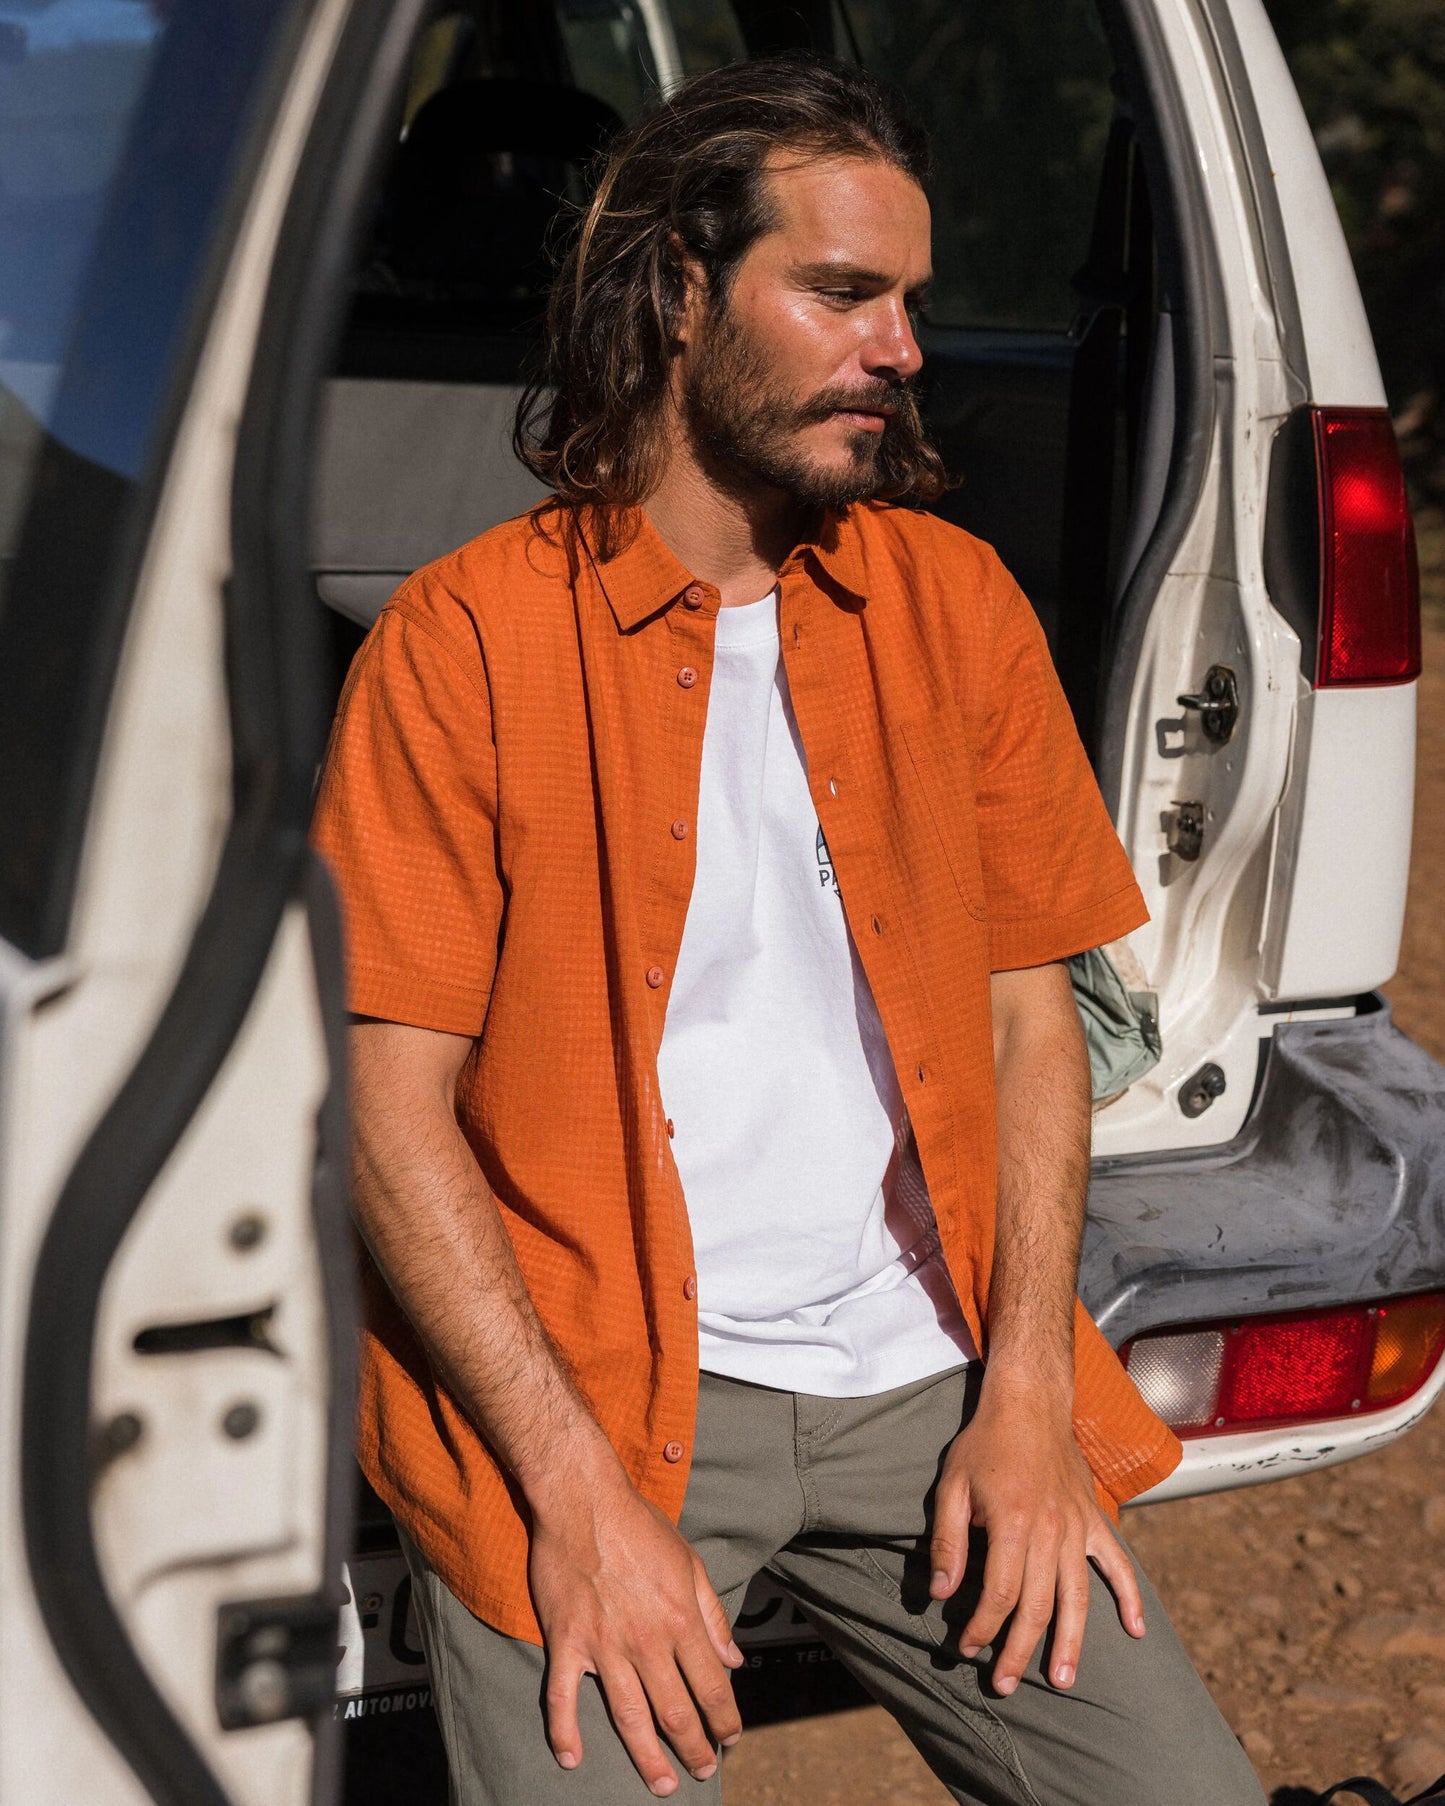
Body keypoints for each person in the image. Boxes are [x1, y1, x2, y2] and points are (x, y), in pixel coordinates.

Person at [313, 53, 1266, 1806]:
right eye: (840, 292)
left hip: (931, 1381)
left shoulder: (956, 605)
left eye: (910, 301)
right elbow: (387, 1105)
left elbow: (1030, 1021)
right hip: (590, 1399)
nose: (899, 345)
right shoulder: (462, 647)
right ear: (681, 293)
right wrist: (575, 1496)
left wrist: (1026, 1400)